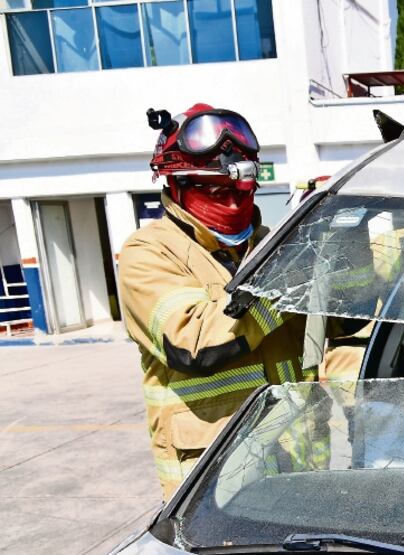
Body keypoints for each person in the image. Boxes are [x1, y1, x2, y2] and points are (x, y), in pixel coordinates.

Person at [119, 104, 320, 499]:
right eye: (215, 191)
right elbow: (192, 343)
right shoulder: (148, 251)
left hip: (299, 462)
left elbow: (341, 324)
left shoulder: (273, 245)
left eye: (238, 190)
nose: (230, 203)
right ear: (176, 185)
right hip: (214, 477)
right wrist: (279, 278)